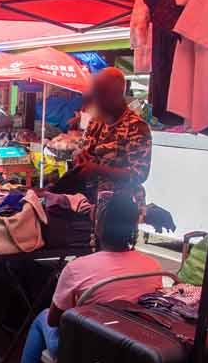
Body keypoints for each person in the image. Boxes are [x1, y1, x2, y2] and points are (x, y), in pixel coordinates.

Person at [10, 190, 163, 363]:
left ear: (99, 228)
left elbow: (54, 320)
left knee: (41, 318)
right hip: (132, 353)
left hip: (83, 353)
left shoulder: (77, 268)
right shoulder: (153, 266)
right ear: (134, 228)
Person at [57, 67, 151, 237]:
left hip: (120, 212)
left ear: (115, 94)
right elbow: (85, 151)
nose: (95, 100)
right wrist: (80, 158)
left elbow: (139, 174)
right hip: (91, 206)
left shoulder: (137, 127)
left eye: (100, 94)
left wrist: (97, 169)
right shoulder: (96, 122)